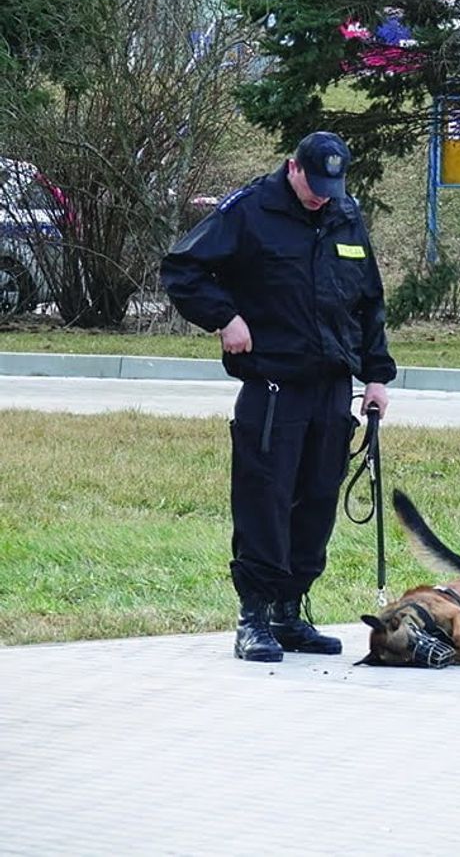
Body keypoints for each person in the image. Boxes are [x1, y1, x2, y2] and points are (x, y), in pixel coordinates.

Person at [160, 131, 395, 662]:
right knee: (264, 501)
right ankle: (254, 619)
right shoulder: (250, 210)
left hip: (332, 386)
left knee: (316, 502)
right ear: (292, 168)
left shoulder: (344, 213)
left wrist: (377, 377)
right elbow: (182, 269)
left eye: (330, 187)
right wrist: (225, 318)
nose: (320, 195)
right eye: (313, 185)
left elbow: (369, 302)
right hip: (273, 385)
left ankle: (289, 612)